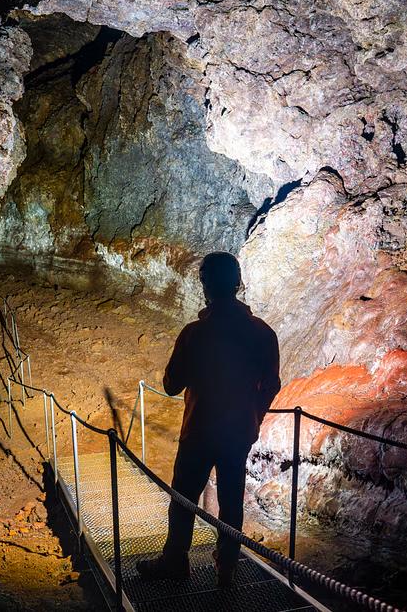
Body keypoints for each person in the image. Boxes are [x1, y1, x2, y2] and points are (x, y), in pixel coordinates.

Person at [136, 251, 281, 588]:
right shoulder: (263, 334)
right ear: (237, 282)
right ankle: (227, 566)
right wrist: (254, 417)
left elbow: (171, 385)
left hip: (199, 430)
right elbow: (271, 385)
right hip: (237, 432)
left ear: (205, 284)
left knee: (184, 499)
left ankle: (175, 560)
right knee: (231, 502)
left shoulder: (194, 334)